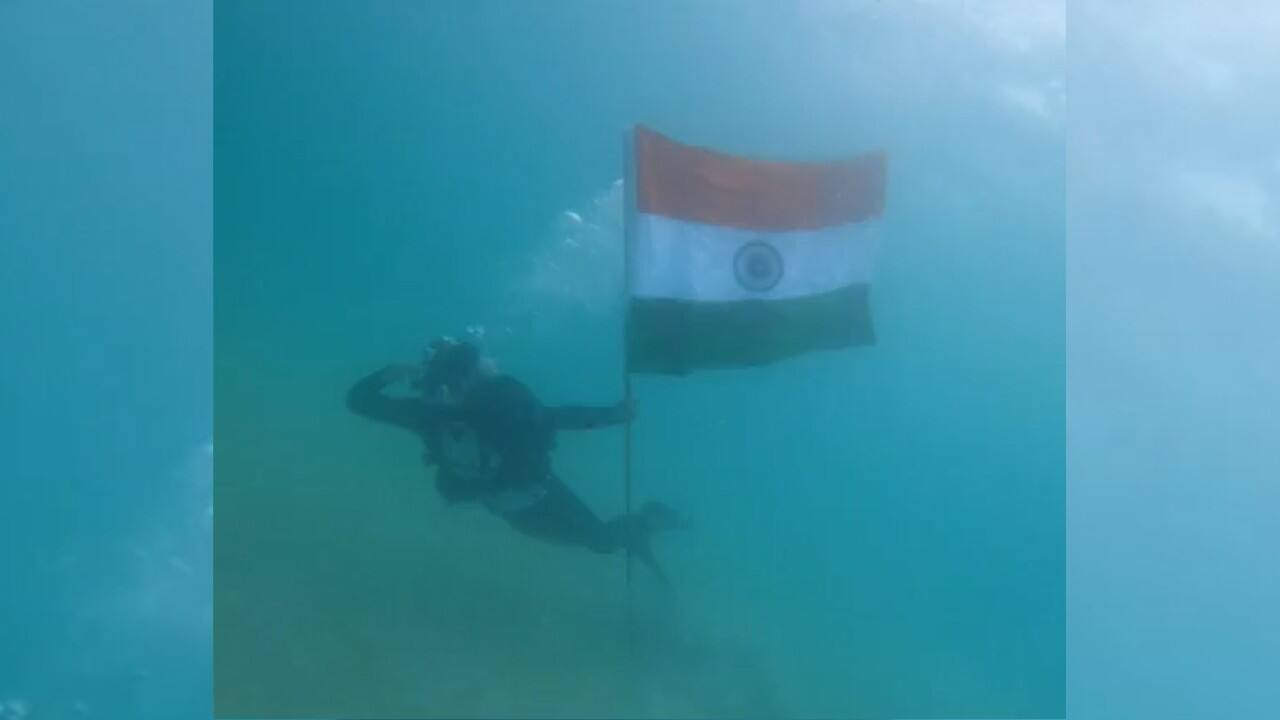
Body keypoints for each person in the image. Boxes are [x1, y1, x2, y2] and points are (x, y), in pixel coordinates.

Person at [346, 336, 684, 582]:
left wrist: (614, 415)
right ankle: (642, 526)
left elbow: (554, 418)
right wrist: (614, 415)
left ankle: (645, 523)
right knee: (597, 540)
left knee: (598, 541)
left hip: (532, 496)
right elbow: (358, 401)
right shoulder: (437, 415)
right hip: (518, 502)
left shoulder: (471, 410)